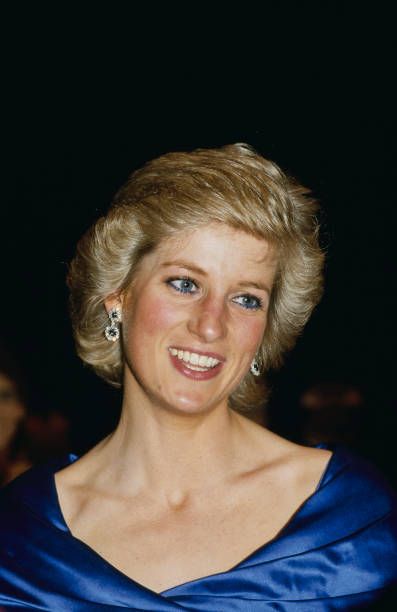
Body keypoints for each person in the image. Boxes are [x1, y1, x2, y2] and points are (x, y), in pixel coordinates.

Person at [0, 144, 396, 610]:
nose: (211, 325)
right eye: (185, 284)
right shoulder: (18, 541)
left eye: (246, 299)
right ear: (118, 298)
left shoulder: (355, 524)